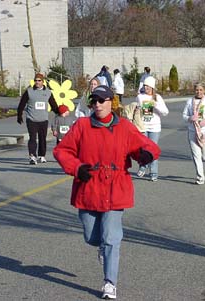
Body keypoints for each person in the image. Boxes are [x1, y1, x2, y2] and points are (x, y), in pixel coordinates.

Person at [53, 85, 161, 299]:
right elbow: (62, 150)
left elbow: (147, 146)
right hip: (89, 189)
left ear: (112, 102)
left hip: (116, 188)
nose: (98, 104)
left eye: (102, 100)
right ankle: (100, 247)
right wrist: (77, 168)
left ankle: (109, 283)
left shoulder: (125, 127)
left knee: (112, 237)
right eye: (94, 101)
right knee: (92, 237)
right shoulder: (82, 125)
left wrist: (146, 155)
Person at [17, 73, 59, 165]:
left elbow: (53, 105)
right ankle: (32, 156)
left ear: (42, 82)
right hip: (31, 119)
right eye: (35, 80)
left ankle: (41, 155)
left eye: (39, 80)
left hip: (43, 119)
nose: (37, 82)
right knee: (32, 138)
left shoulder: (47, 92)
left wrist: (60, 113)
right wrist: (19, 115)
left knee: (42, 138)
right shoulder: (29, 91)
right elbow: (22, 104)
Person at [182, 82, 205, 185]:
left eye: (201, 90)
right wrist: (190, 118)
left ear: (204, 90)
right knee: (196, 156)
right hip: (193, 131)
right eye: (197, 90)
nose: (198, 92)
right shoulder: (190, 102)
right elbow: (184, 115)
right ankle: (200, 177)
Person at [136, 76, 169, 182]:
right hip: (143, 126)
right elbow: (136, 111)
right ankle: (143, 166)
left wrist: (156, 105)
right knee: (143, 149)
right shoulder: (140, 97)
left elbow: (165, 112)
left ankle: (154, 172)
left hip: (155, 127)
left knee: (152, 149)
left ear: (152, 87)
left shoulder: (157, 97)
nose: (146, 88)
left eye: (148, 86)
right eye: (145, 86)